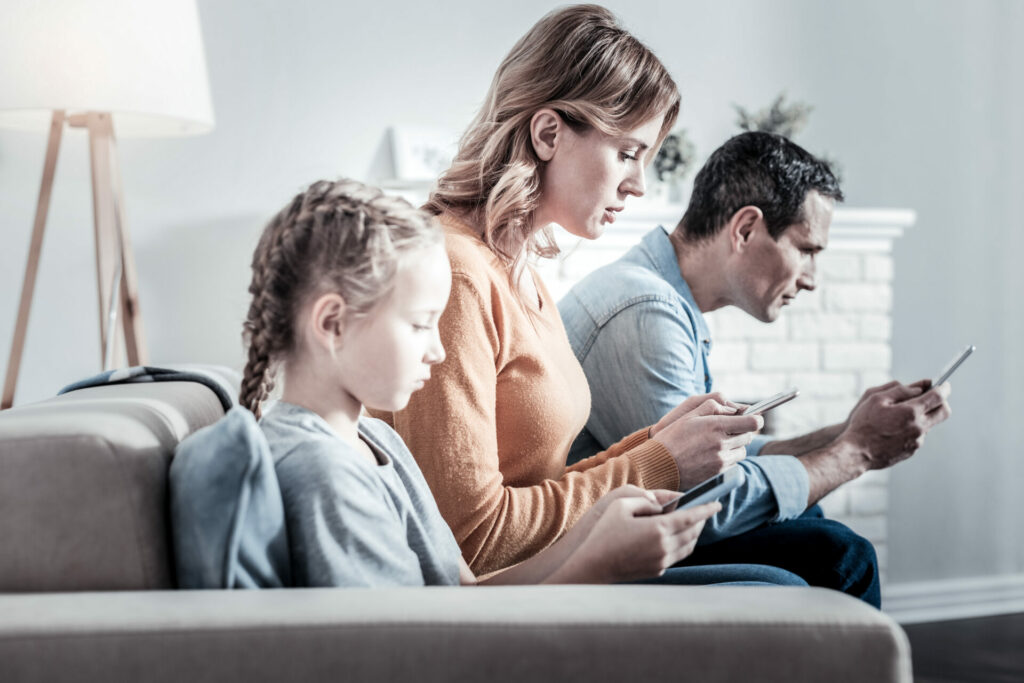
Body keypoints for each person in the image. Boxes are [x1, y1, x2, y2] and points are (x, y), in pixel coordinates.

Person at [368, 5, 804, 589]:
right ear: (548, 133)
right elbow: (471, 541)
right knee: (793, 582)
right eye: (627, 153)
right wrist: (660, 464)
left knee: (815, 557)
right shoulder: (456, 273)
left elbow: (537, 479)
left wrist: (659, 441)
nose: (639, 184)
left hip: (551, 564)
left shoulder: (521, 271)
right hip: (508, 594)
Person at [236, 177, 785, 588]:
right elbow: (409, 652)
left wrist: (594, 527)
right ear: (332, 323)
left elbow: (467, 595)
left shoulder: (378, 442)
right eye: (420, 325)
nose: (439, 348)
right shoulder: (320, 473)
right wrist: (596, 567)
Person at [558, 131, 953, 605]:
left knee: (813, 518)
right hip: (593, 546)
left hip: (635, 522)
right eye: (807, 250)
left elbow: (722, 457)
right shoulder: (644, 310)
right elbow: (701, 502)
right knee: (843, 555)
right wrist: (856, 452)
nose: (811, 280)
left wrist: (846, 430)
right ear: (745, 229)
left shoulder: (663, 298)